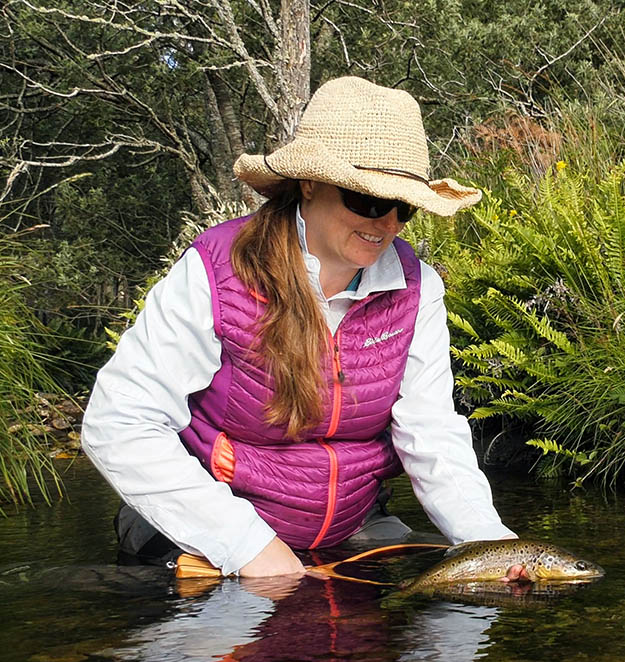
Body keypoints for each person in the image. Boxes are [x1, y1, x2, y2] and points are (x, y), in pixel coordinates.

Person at [81, 75, 517, 580]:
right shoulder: (216, 269)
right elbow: (118, 422)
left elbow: (432, 434)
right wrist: (245, 545)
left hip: (350, 528)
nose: (389, 223)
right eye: (371, 202)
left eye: (406, 207)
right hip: (201, 525)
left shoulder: (418, 289)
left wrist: (491, 545)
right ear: (308, 184)